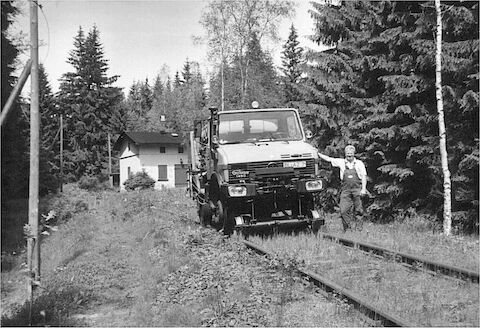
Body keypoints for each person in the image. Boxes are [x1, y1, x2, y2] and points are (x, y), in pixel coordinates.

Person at [317, 145, 367, 232]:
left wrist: (363, 189)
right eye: (347, 154)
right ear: (345, 154)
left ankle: (359, 229)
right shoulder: (341, 162)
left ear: (354, 154)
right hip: (345, 189)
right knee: (343, 210)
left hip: (357, 188)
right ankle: (347, 229)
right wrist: (317, 153)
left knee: (359, 210)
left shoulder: (359, 163)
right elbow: (329, 159)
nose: (349, 155)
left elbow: (363, 176)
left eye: (351, 154)